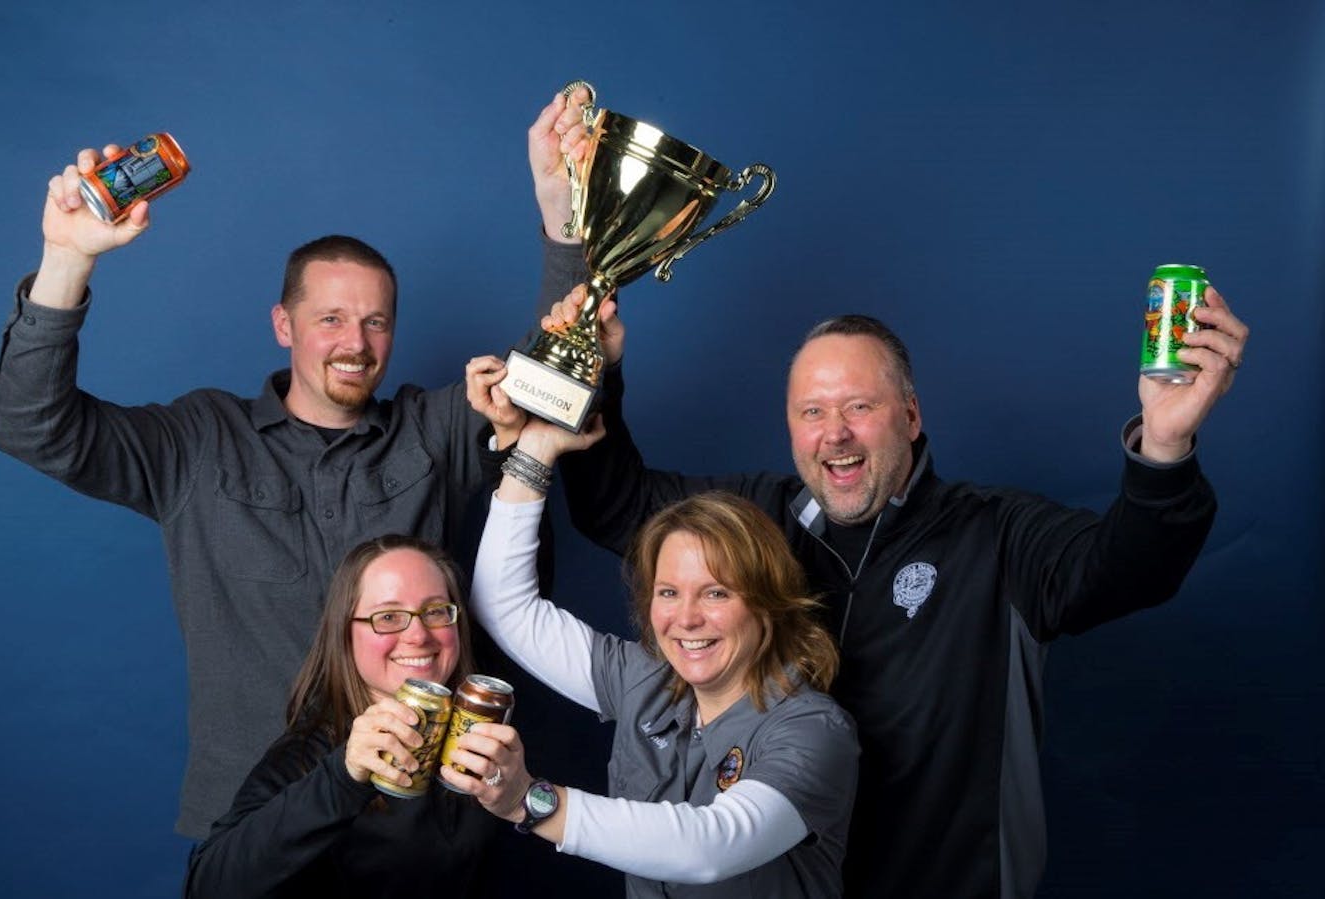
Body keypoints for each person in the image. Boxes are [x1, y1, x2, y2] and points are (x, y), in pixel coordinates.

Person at [487, 283, 1248, 897]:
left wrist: (1166, 446)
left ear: (911, 416)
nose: (835, 433)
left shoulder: (996, 534)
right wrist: (596, 371)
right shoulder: (759, 520)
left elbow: (1131, 567)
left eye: (860, 406)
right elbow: (617, 505)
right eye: (813, 412)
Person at [0, 91, 591, 838]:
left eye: (375, 321)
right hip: (252, 820)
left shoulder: (430, 433)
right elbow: (28, 424)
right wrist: (66, 257)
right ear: (284, 325)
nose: (355, 343)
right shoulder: (198, 442)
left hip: (412, 822)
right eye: (330, 318)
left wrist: (561, 212)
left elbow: (555, 388)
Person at [451, 398, 860, 896]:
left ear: (767, 602)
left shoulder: (813, 731)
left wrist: (530, 802)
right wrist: (534, 449)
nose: (686, 618)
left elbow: (711, 847)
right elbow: (502, 606)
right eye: (669, 593)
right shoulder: (646, 679)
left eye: (716, 593)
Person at [185, 534, 535, 897]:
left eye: (435, 611)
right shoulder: (307, 756)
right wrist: (342, 779)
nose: (418, 634)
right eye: (388, 617)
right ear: (345, 634)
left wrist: (522, 798)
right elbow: (204, 888)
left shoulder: (481, 728)